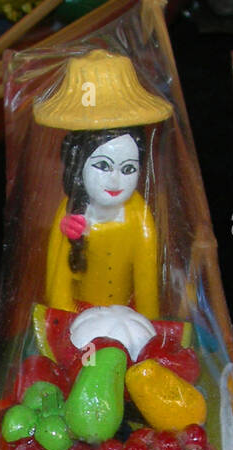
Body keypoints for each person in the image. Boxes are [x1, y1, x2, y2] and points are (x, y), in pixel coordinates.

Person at [44, 126, 161, 320]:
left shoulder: (139, 215)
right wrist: (68, 321)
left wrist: (150, 325)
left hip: (126, 314)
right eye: (104, 166)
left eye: (128, 169)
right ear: (79, 165)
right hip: (78, 313)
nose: (115, 181)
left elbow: (146, 282)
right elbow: (57, 288)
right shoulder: (70, 213)